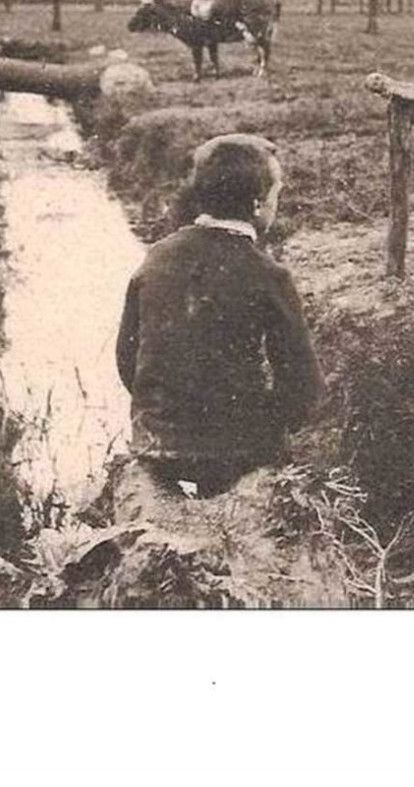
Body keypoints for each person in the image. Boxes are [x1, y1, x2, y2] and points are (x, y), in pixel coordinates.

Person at [113, 133, 325, 521]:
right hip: (233, 450)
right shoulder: (268, 275)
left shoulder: (157, 258)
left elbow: (128, 358)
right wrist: (268, 425)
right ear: (259, 205)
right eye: (276, 194)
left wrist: (164, 408)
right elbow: (304, 386)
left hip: (156, 441)